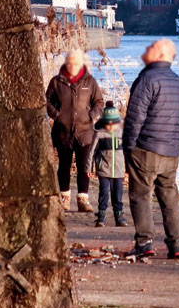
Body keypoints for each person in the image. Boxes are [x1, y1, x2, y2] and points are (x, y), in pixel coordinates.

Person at [124, 39, 179, 259]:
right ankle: (176, 244)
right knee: (169, 196)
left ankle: (145, 242)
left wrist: (129, 145)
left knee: (141, 195)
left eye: (150, 48)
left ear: (160, 54)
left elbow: (135, 117)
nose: (145, 51)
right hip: (171, 150)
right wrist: (175, 142)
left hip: (146, 148)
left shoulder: (147, 79)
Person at [45, 49, 103, 213]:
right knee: (64, 166)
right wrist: (57, 115)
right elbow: (47, 101)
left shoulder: (90, 82)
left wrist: (92, 115)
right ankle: (64, 197)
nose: (72, 66)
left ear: (81, 64)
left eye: (76, 63)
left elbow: (99, 102)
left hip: (85, 132)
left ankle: (83, 199)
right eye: (69, 63)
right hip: (63, 131)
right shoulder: (56, 82)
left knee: (84, 166)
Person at [93, 104, 126, 228]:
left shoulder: (122, 135)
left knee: (118, 194)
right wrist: (89, 167)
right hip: (104, 169)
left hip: (118, 170)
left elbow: (128, 152)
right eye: (108, 124)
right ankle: (101, 214)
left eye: (114, 124)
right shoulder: (100, 134)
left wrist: (129, 168)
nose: (111, 127)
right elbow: (92, 152)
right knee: (104, 193)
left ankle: (119, 215)